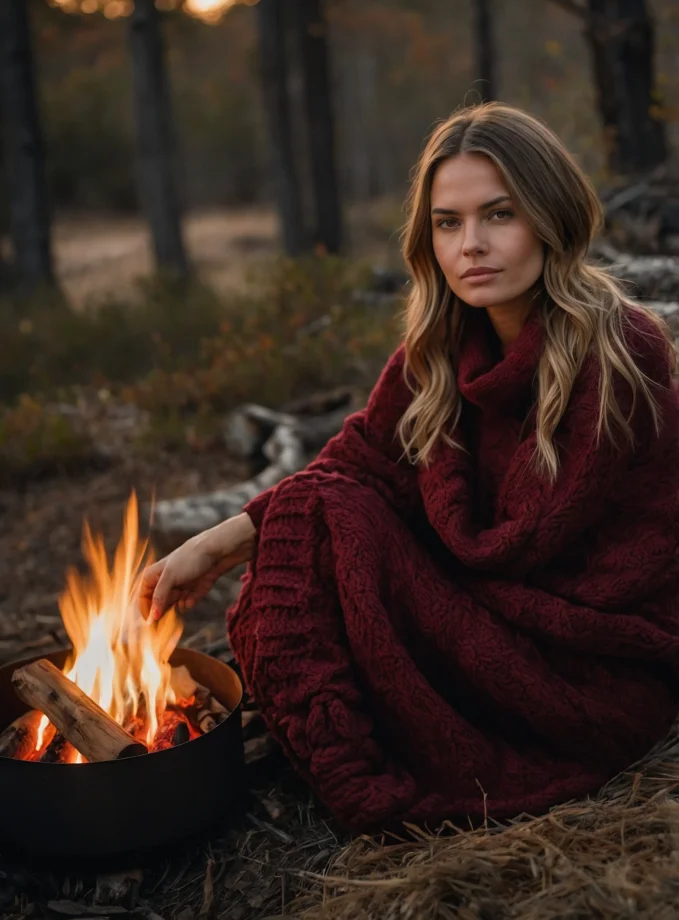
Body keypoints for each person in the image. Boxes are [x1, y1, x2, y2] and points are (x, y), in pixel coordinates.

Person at [140, 104, 679, 832]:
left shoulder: (619, 349)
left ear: (550, 216)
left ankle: (363, 788)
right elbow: (356, 464)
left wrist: (398, 568)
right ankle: (349, 763)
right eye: (447, 222)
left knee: (320, 515)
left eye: (498, 215)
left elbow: (536, 546)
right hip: (494, 629)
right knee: (316, 510)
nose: (471, 246)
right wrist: (213, 544)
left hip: (592, 671)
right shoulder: (439, 352)